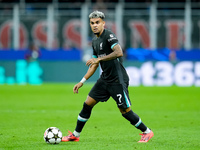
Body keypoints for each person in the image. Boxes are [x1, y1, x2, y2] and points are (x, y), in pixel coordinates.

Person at [62, 10, 154, 143]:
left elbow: (119, 52)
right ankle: (75, 135)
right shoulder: (94, 41)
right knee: (87, 104)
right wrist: (82, 81)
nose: (95, 25)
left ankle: (147, 132)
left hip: (117, 80)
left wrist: (100, 60)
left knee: (125, 111)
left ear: (103, 23)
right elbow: (93, 64)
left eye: (97, 22)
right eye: (92, 23)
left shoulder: (108, 35)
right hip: (105, 79)